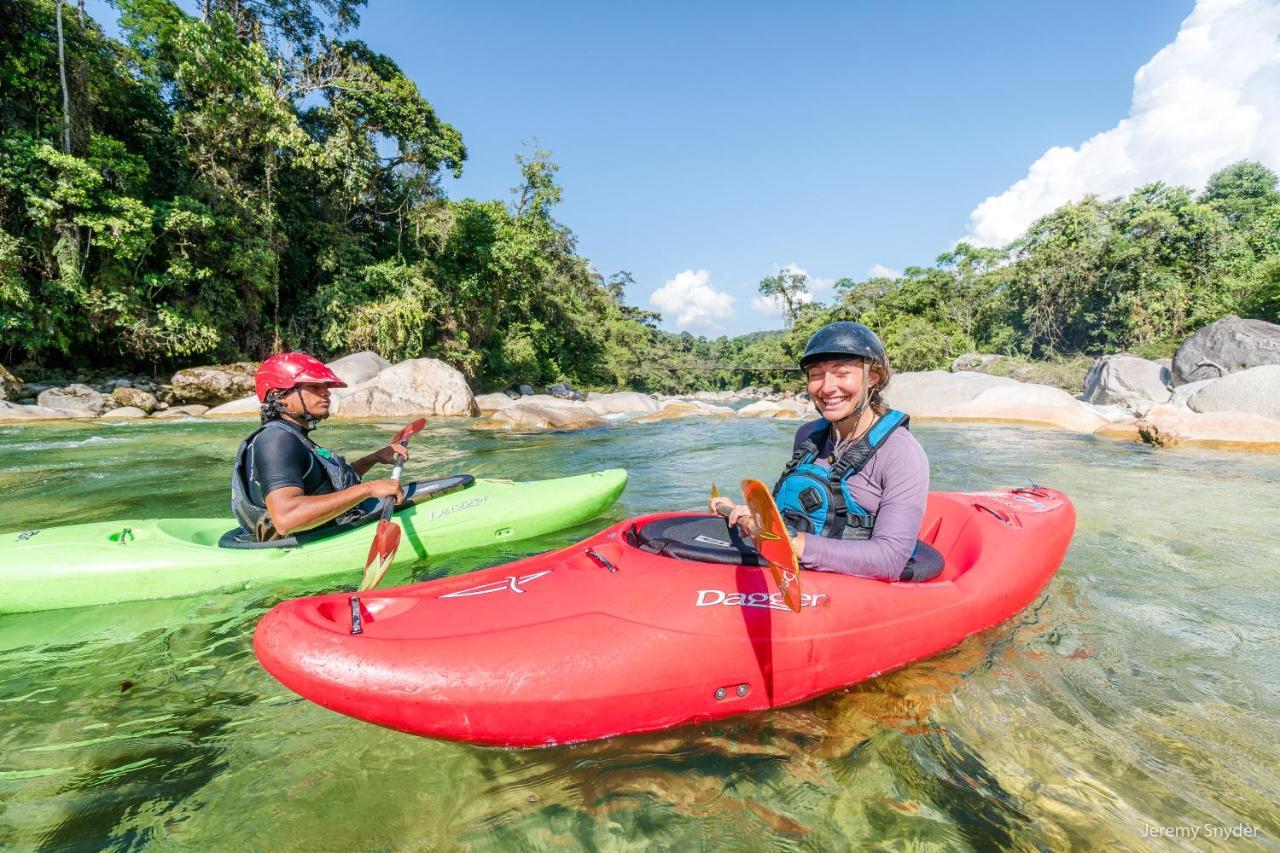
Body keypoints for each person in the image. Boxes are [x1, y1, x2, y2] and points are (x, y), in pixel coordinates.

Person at [710, 321, 941, 582]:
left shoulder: (902, 453)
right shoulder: (808, 435)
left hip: (855, 588)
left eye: (842, 373)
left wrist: (793, 543)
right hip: (805, 570)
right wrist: (756, 517)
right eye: (816, 374)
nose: (827, 387)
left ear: (872, 378)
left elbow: (890, 559)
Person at [230, 352, 409, 541]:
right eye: (314, 387)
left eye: (325, 387)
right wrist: (368, 489)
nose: (327, 392)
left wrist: (373, 458)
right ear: (279, 396)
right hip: (301, 545)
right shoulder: (276, 440)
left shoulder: (293, 436)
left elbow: (331, 484)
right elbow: (286, 518)